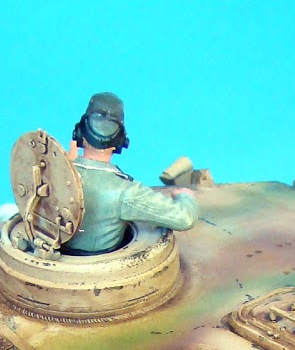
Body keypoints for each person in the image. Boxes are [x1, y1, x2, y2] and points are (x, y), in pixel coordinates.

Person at [65, 92, 199, 255]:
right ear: (120, 142)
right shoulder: (126, 191)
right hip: (104, 264)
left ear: (78, 135)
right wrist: (185, 197)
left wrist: (67, 164)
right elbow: (184, 218)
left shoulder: (58, 174)